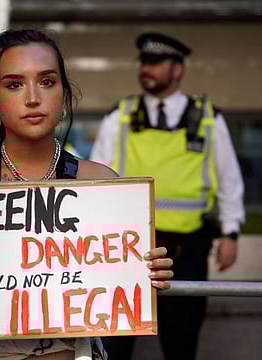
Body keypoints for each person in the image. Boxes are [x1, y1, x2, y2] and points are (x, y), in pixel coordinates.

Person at [0, 29, 174, 360]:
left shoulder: (101, 184)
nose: (33, 97)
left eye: (47, 82)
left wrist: (144, 276)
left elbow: (116, 304)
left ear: (64, 96)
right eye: (14, 84)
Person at [90, 32, 245, 360]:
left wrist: (231, 232)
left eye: (157, 63)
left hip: (185, 252)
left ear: (178, 70)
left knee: (181, 342)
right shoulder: (119, 116)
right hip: (127, 251)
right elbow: (94, 178)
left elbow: (229, 180)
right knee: (114, 345)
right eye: (144, 62)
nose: (147, 69)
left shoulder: (208, 119)